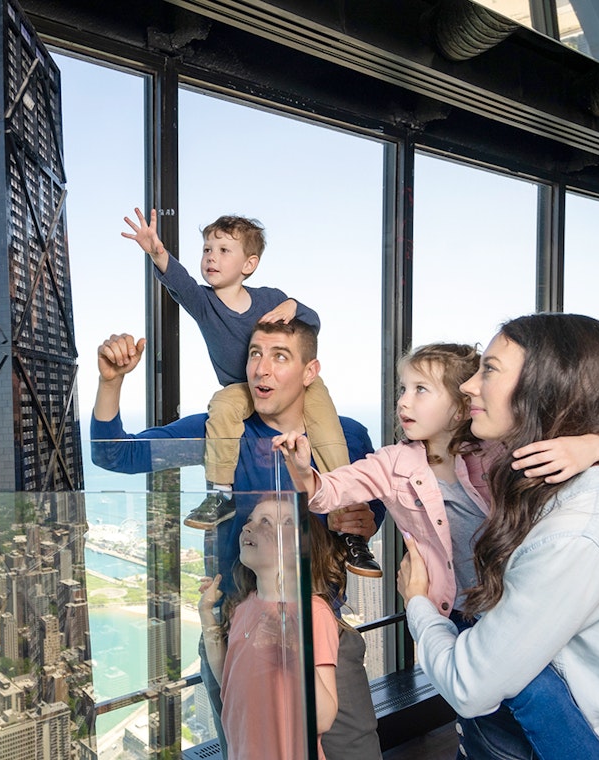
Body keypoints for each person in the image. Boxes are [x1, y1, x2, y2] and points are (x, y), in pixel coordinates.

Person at [274, 342, 599, 760]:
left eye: (421, 390)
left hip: (518, 601)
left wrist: (593, 446)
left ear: (461, 408)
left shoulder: (496, 451)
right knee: (483, 719)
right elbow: (330, 491)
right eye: (403, 389)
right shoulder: (392, 463)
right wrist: (301, 470)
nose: (404, 401)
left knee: (538, 698)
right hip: (458, 608)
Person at [398, 314, 599, 760]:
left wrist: (418, 605)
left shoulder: (576, 535)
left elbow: (470, 684)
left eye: (490, 369)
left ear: (544, 387)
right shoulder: (565, 481)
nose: (468, 385)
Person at [90, 318, 385, 751]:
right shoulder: (223, 431)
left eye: (279, 356)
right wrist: (110, 383)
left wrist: (369, 518)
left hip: (319, 630)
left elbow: (376, 498)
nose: (261, 369)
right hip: (236, 630)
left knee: (351, 749)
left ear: (310, 372)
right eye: (254, 354)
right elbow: (114, 454)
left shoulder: (350, 436)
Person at [122, 207, 380, 576]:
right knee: (223, 405)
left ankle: (349, 527)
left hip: (296, 387)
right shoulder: (205, 303)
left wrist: (296, 306)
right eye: (207, 249)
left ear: (250, 264)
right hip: (243, 388)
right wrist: (156, 252)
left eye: (224, 250)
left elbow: (310, 324)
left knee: (329, 433)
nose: (211, 256)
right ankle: (220, 495)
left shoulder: (269, 298)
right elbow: (177, 281)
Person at [198, 498, 381, 760]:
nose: (247, 527)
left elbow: (323, 718)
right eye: (251, 519)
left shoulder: (313, 613)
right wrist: (207, 619)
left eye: (266, 523)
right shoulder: (244, 608)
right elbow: (229, 686)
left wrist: (296, 642)